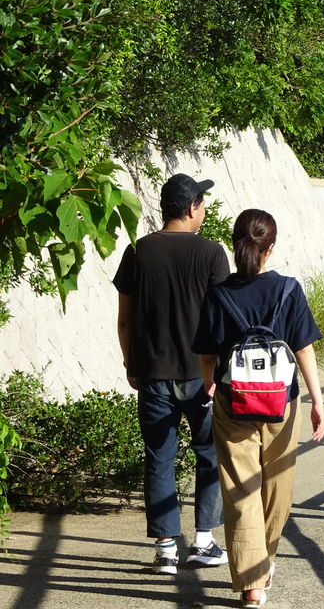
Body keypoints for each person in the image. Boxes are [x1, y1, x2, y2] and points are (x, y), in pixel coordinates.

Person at [194, 209, 324, 609]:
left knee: (239, 490)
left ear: (235, 244)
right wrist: (318, 401)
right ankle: (262, 564)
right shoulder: (288, 289)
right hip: (281, 403)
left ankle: (252, 582)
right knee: (278, 488)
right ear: (270, 248)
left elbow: (206, 353)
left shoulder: (219, 293)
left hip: (233, 403)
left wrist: (209, 383)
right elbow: (303, 347)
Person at [113, 173, 231, 574]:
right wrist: (219, 369)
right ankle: (203, 542)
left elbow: (125, 321)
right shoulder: (212, 254)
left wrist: (131, 364)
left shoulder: (138, 251)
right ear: (191, 208)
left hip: (153, 373)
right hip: (203, 376)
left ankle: (166, 549)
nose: (204, 211)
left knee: (159, 459)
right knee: (209, 455)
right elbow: (222, 319)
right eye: (203, 204)